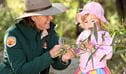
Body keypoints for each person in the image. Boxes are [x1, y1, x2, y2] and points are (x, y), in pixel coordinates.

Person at [0, 0, 74, 74]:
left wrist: (63, 59)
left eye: (50, 14)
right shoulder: (13, 35)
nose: (51, 18)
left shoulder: (49, 30)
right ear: (33, 17)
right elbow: (20, 71)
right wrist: (50, 55)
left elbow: (56, 64)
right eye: (46, 15)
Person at [74, 2, 113, 74]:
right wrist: (80, 48)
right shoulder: (83, 34)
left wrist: (93, 49)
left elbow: (108, 55)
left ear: (100, 21)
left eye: (93, 21)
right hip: (82, 70)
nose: (89, 24)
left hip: (96, 70)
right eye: (86, 21)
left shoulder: (104, 35)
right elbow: (77, 52)